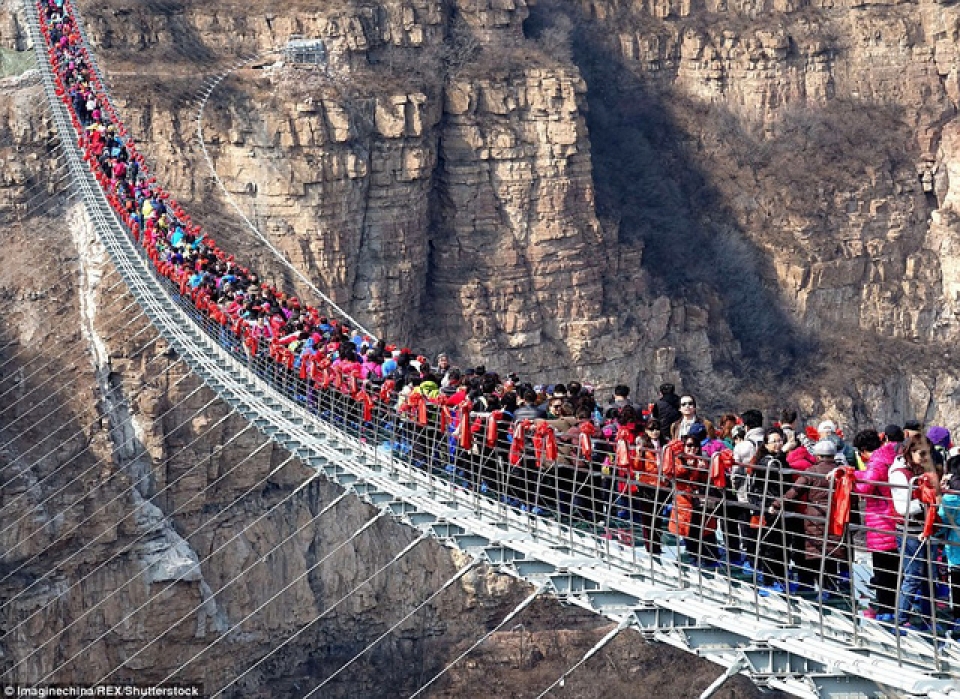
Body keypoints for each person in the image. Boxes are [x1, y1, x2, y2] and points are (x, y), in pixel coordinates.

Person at [773, 440, 848, 600]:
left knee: (817, 553)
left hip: (815, 517)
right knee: (832, 553)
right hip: (837, 515)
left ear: (818, 455)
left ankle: (818, 589)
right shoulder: (841, 472)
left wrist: (776, 504)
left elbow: (794, 491)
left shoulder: (811, 471)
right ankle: (832, 589)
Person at [889, 434, 941, 631]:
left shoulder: (921, 469)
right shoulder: (899, 473)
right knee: (913, 575)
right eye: (921, 453)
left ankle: (930, 619)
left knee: (930, 575)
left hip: (926, 529)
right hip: (910, 531)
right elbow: (902, 508)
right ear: (910, 452)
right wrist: (927, 501)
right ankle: (900, 619)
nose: (926, 457)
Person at [852, 430, 900, 621]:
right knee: (893, 567)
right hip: (892, 516)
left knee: (883, 568)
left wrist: (850, 475)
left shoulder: (877, 462)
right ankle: (891, 606)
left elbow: (866, 486)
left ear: (863, 451)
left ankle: (887, 609)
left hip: (882, 518)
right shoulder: (890, 455)